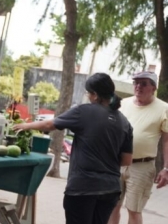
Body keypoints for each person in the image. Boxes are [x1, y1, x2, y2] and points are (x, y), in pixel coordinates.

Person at [13, 73, 133, 224]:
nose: (88, 96)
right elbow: (126, 160)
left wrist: (25, 126)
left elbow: (50, 125)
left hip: (83, 187)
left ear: (95, 95)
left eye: (88, 93)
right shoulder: (125, 123)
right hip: (110, 189)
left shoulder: (84, 111)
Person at [108, 71, 168, 224]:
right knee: (111, 206)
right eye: (136, 82)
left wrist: (166, 169)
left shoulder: (164, 108)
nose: (138, 86)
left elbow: (167, 141)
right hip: (116, 163)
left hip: (142, 166)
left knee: (134, 211)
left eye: (144, 83)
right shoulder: (122, 104)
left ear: (153, 88)